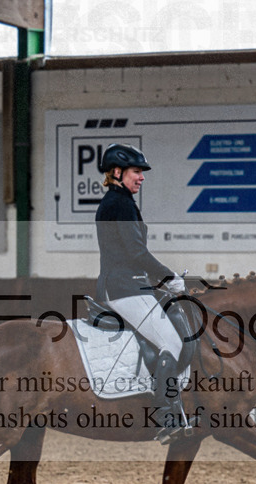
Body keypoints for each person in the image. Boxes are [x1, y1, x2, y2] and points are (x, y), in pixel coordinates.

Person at [94, 143, 191, 443]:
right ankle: (166, 415)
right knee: (172, 343)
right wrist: (169, 276)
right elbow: (136, 252)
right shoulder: (119, 203)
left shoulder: (120, 201)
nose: (142, 178)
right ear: (118, 172)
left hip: (130, 283)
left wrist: (157, 281)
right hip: (123, 287)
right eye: (137, 172)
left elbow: (131, 254)